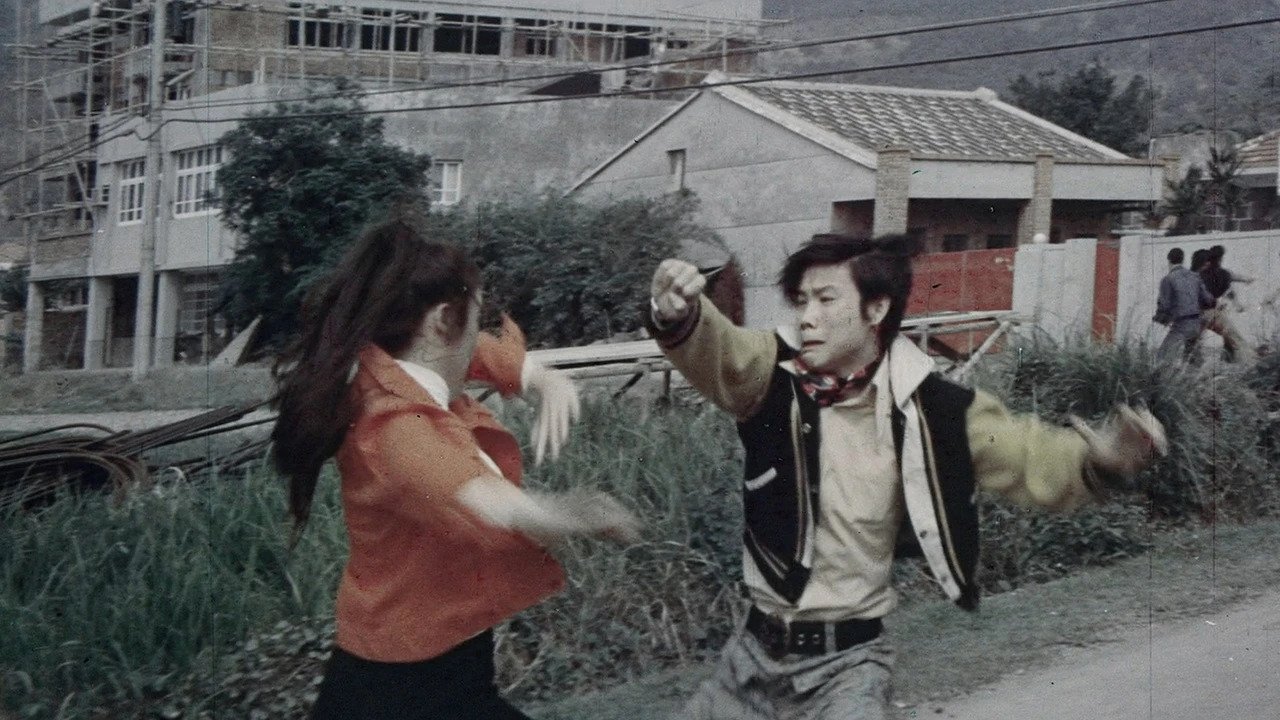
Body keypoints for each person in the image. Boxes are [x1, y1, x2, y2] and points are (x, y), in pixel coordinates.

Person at [646, 233, 1166, 720]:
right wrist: (679, 312)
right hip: (749, 660)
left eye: (826, 300)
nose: (807, 318)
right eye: (802, 301)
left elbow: (1028, 452)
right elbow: (724, 351)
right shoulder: (773, 376)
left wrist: (1100, 460)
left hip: (847, 669)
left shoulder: (938, 411)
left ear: (876, 309)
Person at [272, 211, 641, 720]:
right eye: (477, 316)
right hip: (394, 693)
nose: (478, 335)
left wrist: (543, 379)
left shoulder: (400, 367)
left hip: (442, 672)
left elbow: (479, 353)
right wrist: (580, 515)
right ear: (443, 321)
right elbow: (489, 502)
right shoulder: (396, 430)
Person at [1154, 247, 1213, 362]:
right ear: (1182, 259)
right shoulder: (1195, 276)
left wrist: (1160, 318)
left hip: (1181, 324)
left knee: (1162, 357)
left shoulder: (1168, 279)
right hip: (1197, 324)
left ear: (1169, 260)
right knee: (1191, 359)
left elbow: (1165, 305)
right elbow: (1208, 299)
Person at [1199, 244, 1256, 363]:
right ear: (1220, 258)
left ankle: (1194, 363)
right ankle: (1249, 360)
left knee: (1195, 343)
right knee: (1234, 337)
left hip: (1197, 314)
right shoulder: (1224, 273)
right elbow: (1232, 286)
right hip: (1212, 313)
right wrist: (1248, 280)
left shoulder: (1200, 273)